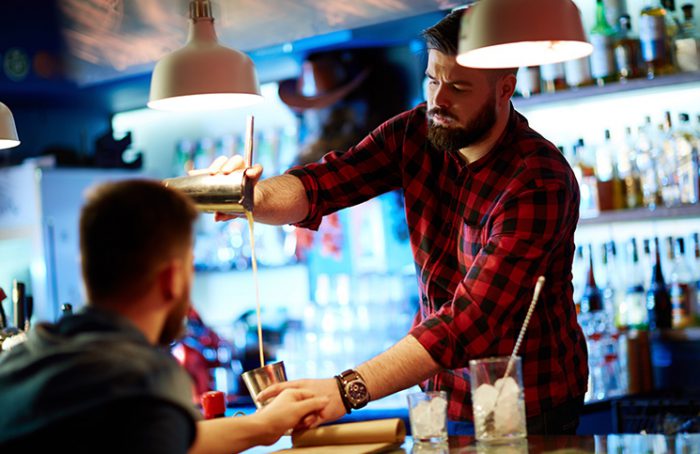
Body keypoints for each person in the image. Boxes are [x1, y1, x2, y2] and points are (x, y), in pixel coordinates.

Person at [205, 8, 588, 435]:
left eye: (458, 87)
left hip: (531, 404)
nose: (438, 100)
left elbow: (470, 321)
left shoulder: (538, 178)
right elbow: (323, 184)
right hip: (442, 398)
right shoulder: (414, 134)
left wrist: (345, 390)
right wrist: (252, 197)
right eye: (432, 80)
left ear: (505, 89)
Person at [0, 180, 328, 453]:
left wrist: (264, 426)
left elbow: (166, 437)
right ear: (171, 278)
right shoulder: (144, 378)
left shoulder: (24, 361)